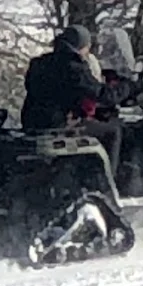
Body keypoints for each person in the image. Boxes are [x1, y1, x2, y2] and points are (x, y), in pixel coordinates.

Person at [19, 25, 126, 177]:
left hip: (32, 122)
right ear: (81, 46)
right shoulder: (74, 66)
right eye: (87, 47)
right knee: (113, 131)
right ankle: (108, 181)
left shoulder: (40, 62)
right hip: (58, 125)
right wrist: (128, 87)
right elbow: (104, 95)